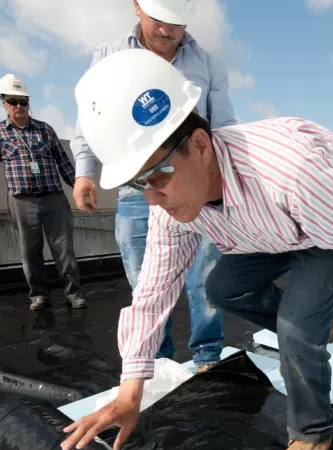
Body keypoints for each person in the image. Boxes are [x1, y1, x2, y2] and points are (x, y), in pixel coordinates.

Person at [60, 49, 333, 450]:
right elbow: (152, 293)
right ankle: (317, 323)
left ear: (200, 146)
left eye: (157, 176)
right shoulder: (172, 204)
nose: (151, 199)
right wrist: (130, 390)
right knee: (222, 286)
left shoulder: (287, 171)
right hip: (275, 225)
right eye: (137, 184)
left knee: (295, 328)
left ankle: (313, 430)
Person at [70, 0, 235, 373]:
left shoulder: (207, 63)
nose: (167, 31)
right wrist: (85, 172)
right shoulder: (108, 56)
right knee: (145, 279)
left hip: (190, 183)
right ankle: (156, 363)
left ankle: (208, 356)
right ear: (137, 7)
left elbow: (223, 126)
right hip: (135, 187)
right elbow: (90, 121)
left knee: (205, 273)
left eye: (176, 24)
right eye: (158, 19)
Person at [0, 74, 86, 311]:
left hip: (53, 197)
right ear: (3, 102)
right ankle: (39, 295)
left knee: (64, 248)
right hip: (21, 200)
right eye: (13, 101)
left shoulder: (46, 130)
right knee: (29, 251)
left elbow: (63, 161)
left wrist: (78, 186)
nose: (19, 106)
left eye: (23, 101)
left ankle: (73, 293)